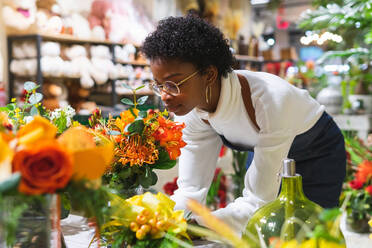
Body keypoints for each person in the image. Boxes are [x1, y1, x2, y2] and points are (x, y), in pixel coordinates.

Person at [141, 15, 346, 233]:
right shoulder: (189, 111)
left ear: (209, 74)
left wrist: (196, 226)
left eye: (173, 84)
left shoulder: (269, 101)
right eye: (159, 84)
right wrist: (161, 221)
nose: (164, 95)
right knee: (266, 233)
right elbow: (191, 189)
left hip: (318, 151)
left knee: (312, 232)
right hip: (266, 146)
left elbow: (257, 202)